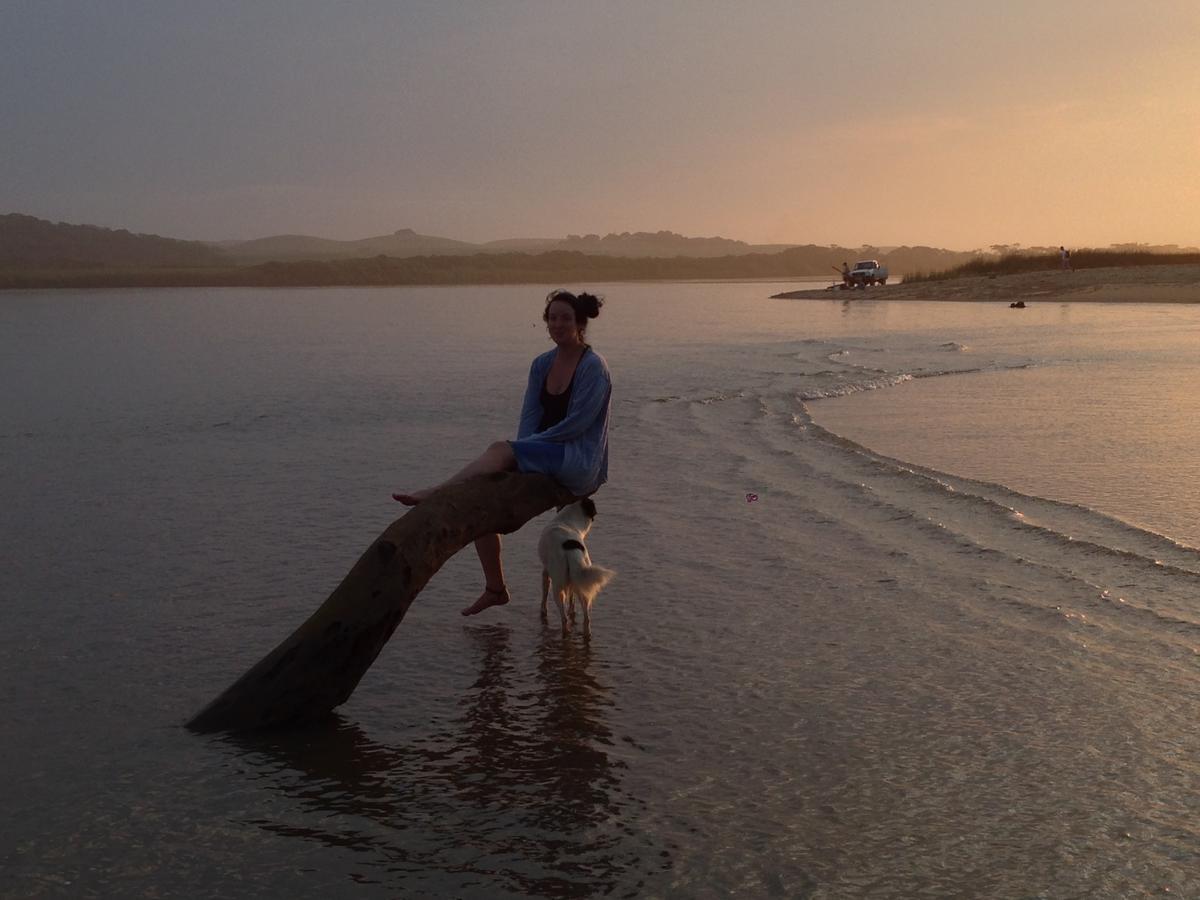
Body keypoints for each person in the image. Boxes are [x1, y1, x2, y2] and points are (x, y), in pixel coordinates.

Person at [392, 289, 612, 617]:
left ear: (580, 322)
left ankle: (435, 492)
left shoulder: (594, 366)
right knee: (485, 490)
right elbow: (529, 418)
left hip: (577, 460)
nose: (558, 324)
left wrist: (523, 450)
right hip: (545, 451)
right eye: (552, 318)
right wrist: (524, 451)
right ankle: (495, 588)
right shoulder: (541, 365)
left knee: (499, 450)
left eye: (566, 318)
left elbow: (576, 426)